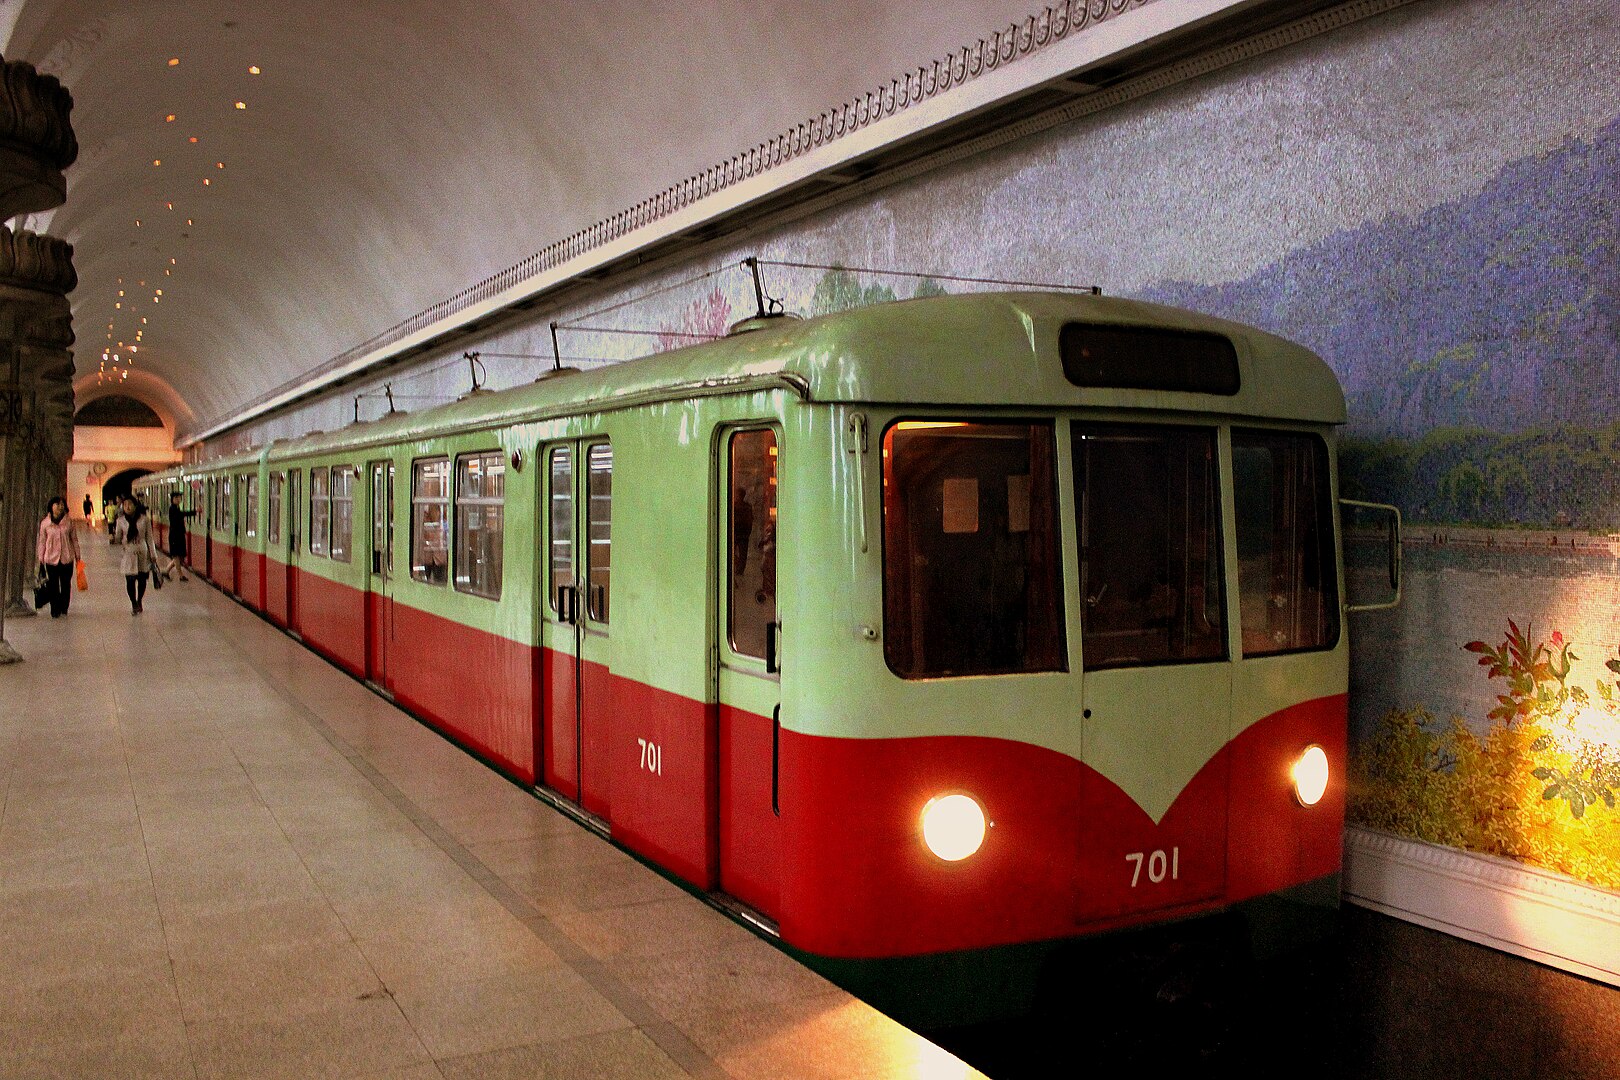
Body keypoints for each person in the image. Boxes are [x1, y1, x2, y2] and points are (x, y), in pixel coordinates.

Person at [35, 496, 81, 618]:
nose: (60, 507)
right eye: (57, 504)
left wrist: (78, 556)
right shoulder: (45, 524)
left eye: (62, 504)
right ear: (51, 506)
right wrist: (41, 558)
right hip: (51, 559)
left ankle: (64, 606)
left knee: (66, 584)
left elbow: (74, 540)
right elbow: (42, 541)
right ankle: (54, 608)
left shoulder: (69, 522)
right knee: (53, 585)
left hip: (67, 557)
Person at [114, 495, 157, 614]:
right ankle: (133, 603)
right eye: (125, 504)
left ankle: (139, 600)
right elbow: (118, 537)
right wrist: (116, 538)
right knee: (130, 580)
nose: (127, 506)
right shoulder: (120, 520)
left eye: (130, 504)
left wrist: (153, 554)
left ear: (135, 505)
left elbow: (150, 538)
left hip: (143, 552)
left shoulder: (144, 519)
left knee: (142, 580)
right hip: (129, 552)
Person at [166, 492, 195, 581]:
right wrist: (194, 512)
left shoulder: (176, 508)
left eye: (179, 498)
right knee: (176, 556)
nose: (179, 499)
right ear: (173, 499)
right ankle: (181, 575)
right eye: (177, 498)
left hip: (178, 535)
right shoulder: (172, 509)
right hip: (175, 536)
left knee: (179, 556)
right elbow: (181, 515)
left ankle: (166, 571)